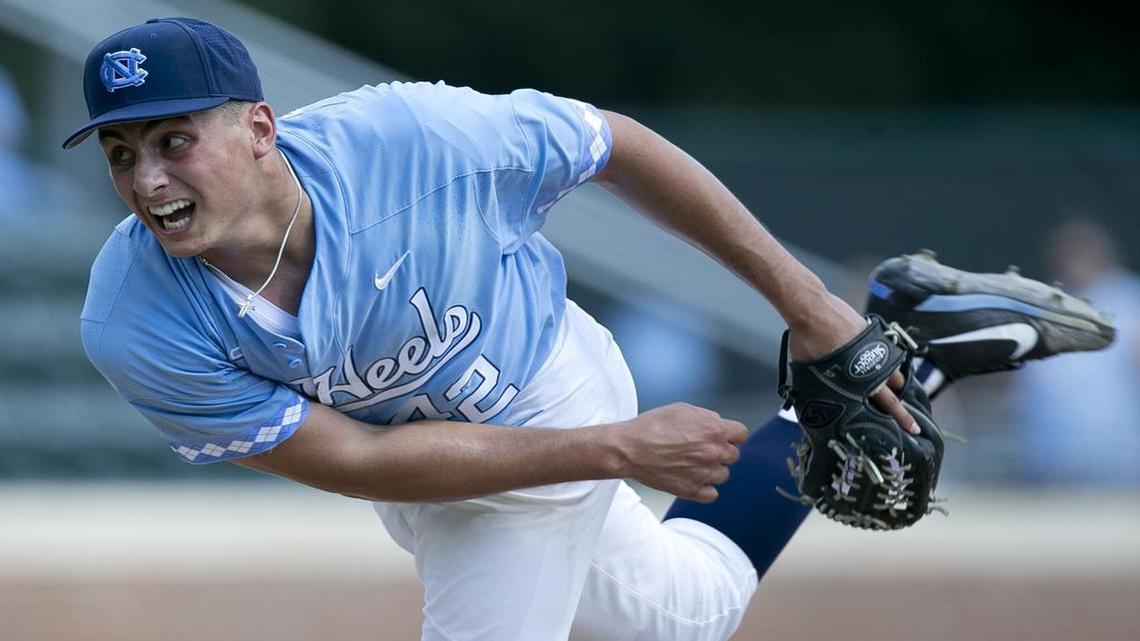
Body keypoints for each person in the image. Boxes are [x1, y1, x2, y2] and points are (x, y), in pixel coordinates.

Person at [67, 18, 1114, 641]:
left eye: (175, 138)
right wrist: (617, 450)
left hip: (544, 379)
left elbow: (615, 145)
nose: (148, 176)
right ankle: (913, 344)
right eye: (121, 151)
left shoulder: (416, 142)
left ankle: (873, 335)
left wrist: (810, 305)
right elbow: (360, 460)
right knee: (685, 607)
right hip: (444, 456)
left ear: (258, 129)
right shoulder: (135, 318)